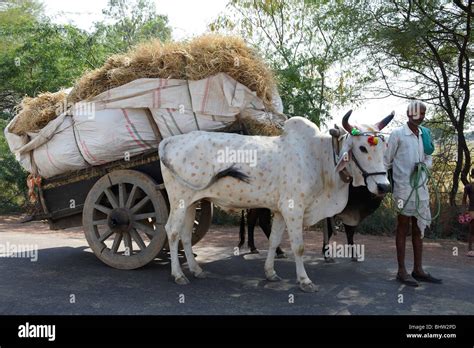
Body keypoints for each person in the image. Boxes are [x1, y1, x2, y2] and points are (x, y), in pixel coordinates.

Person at [384, 101, 442, 287]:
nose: (422, 116)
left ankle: (418, 269)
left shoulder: (424, 134)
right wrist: (384, 186)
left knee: (419, 228)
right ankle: (402, 271)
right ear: (409, 114)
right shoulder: (397, 135)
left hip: (421, 188)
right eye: (419, 113)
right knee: (403, 226)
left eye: (424, 113)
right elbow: (386, 161)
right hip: (403, 190)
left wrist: (424, 166)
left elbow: (429, 156)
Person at [462, 168, 474, 257]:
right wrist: (464, 211)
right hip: (472, 210)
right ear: (472, 176)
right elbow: (464, 199)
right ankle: (470, 249)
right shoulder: (468, 187)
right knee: (472, 230)